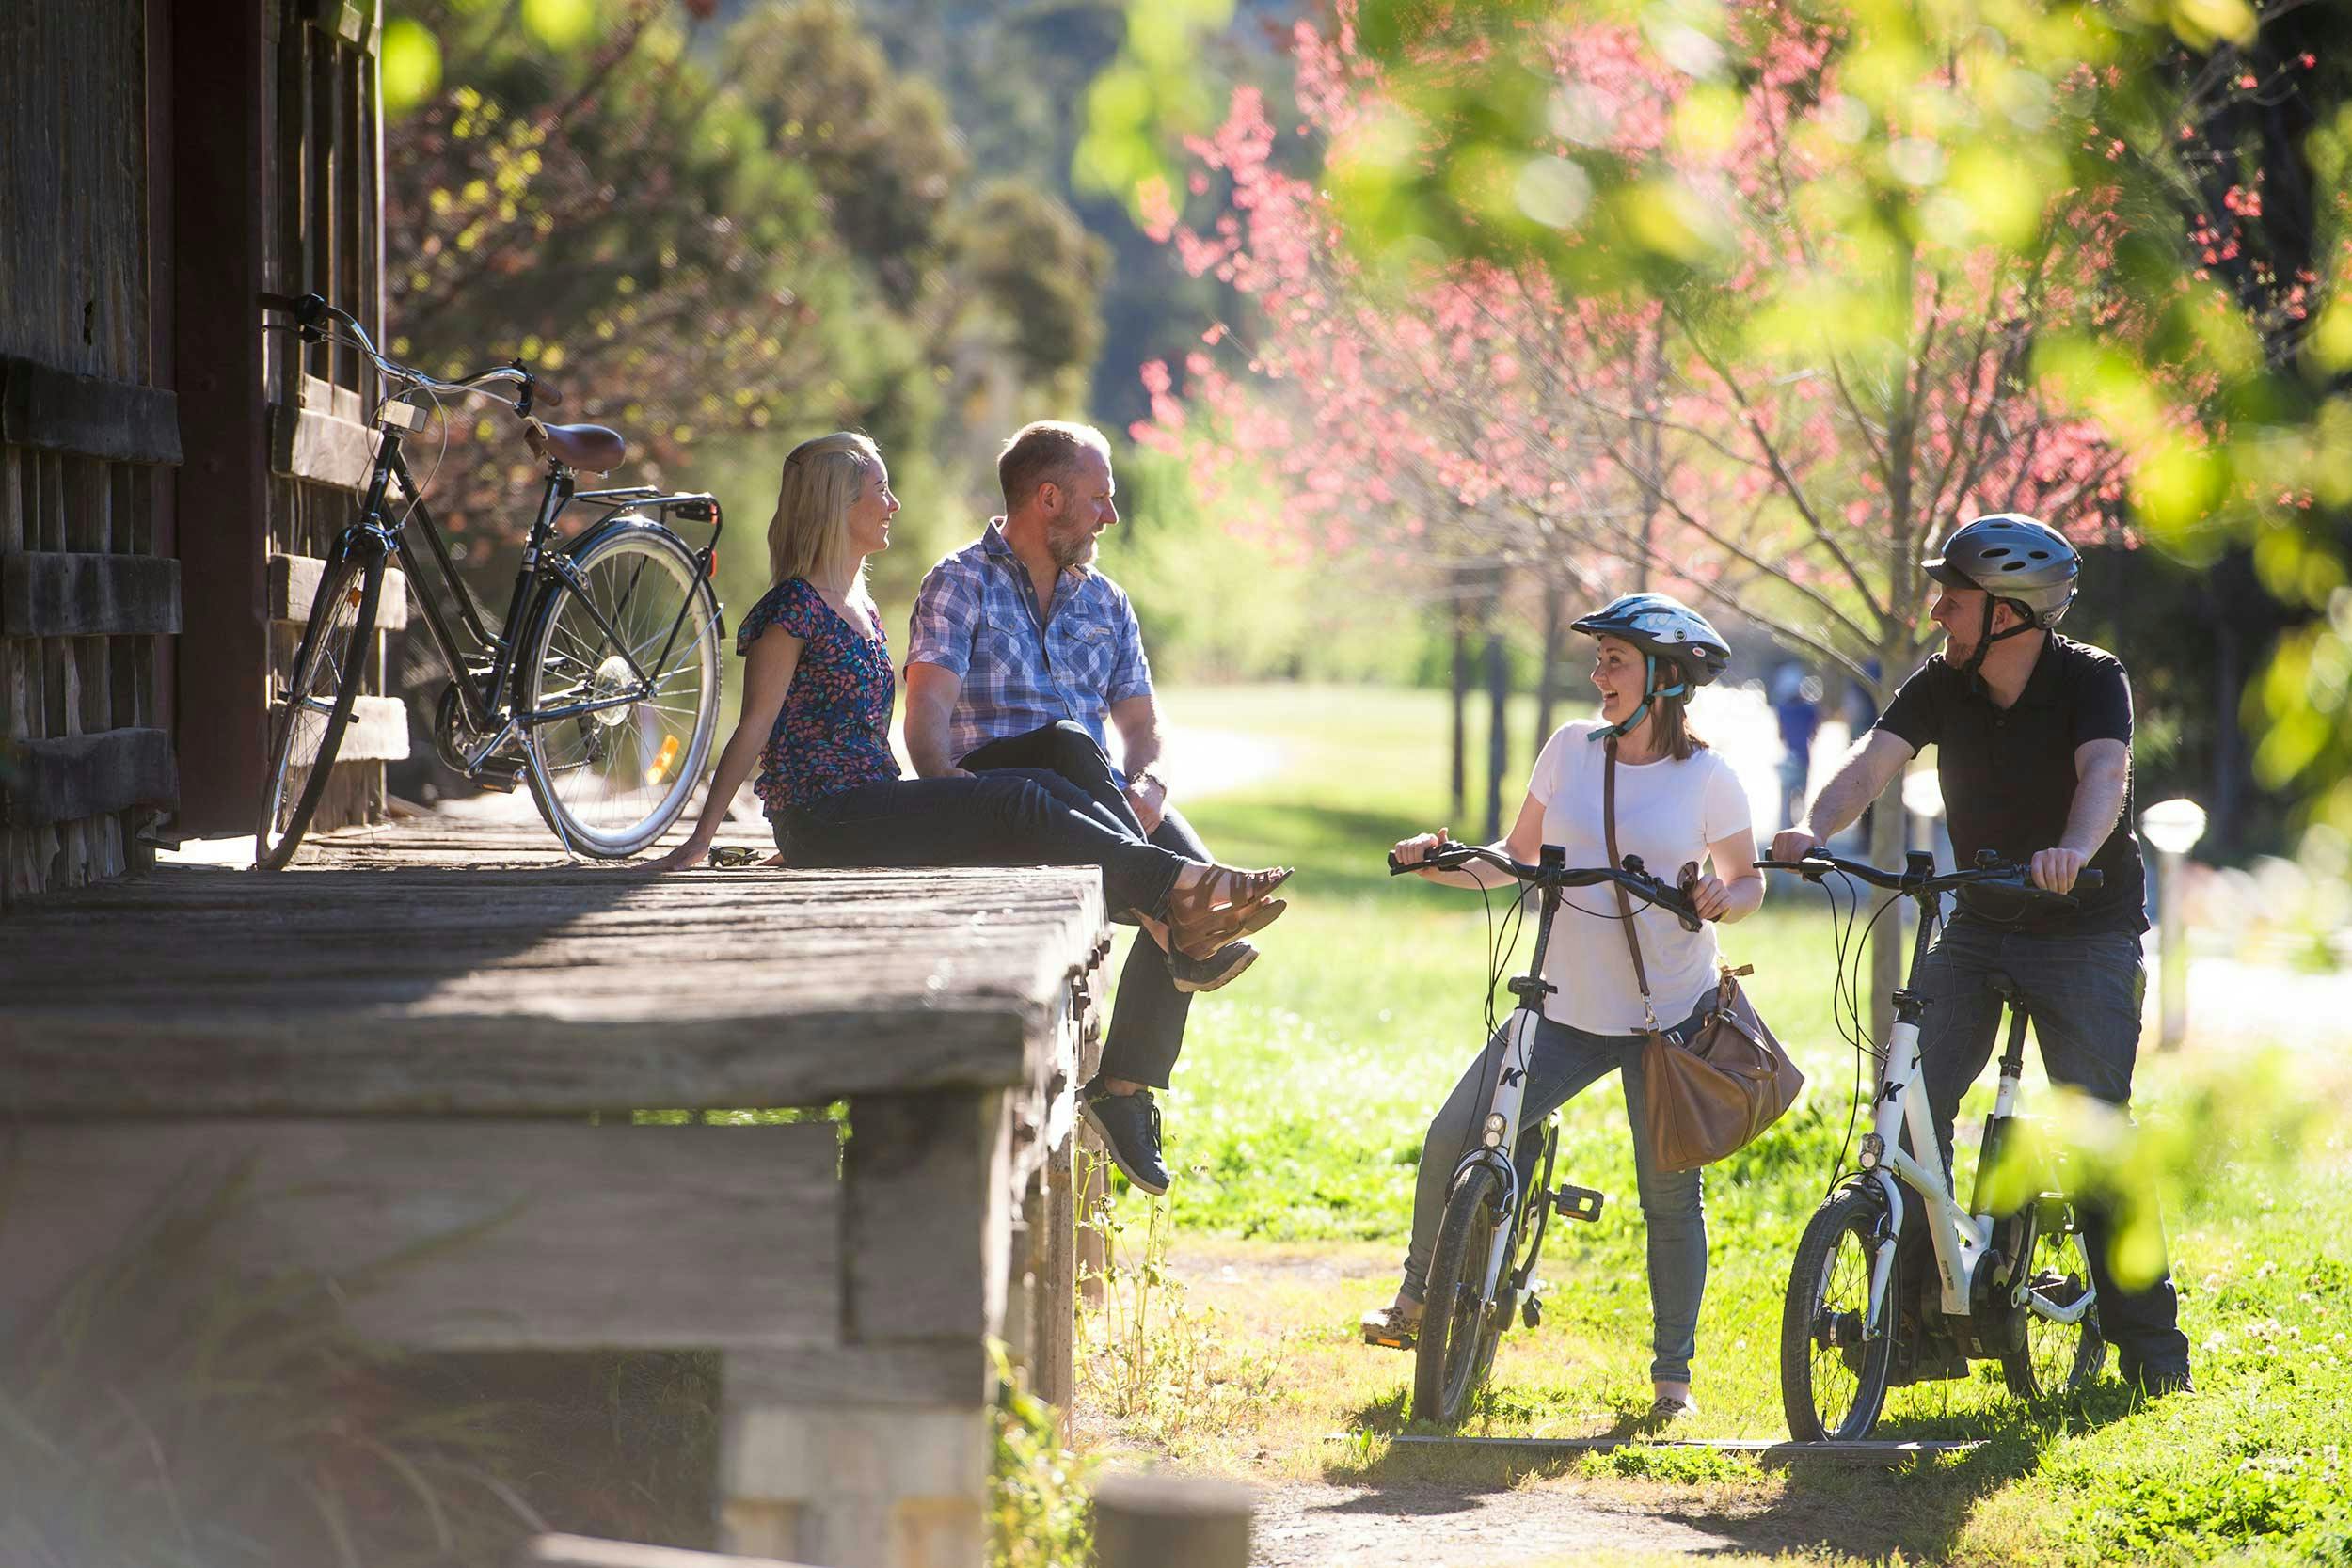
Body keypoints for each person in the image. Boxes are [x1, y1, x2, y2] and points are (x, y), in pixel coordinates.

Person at [1771, 513, 2194, 1397]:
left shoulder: (2090, 679)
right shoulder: (1943, 682)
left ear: (2008, 613)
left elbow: (2104, 778)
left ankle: (2153, 1353)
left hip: (2084, 927)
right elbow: (1870, 761)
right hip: (1982, 918)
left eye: (1952, 600)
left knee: (2098, 1130)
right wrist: (1814, 826)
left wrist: (2072, 850)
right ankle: (1920, 1324)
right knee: (1911, 1099)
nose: (1936, 613)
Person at [645, 431, 1290, 973]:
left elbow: (852, 747)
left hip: (858, 810)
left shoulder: (863, 611)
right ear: (839, 504)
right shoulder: (792, 610)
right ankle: (1177, 893)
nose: (894, 504)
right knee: (1015, 796)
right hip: (829, 816)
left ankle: (1173, 905)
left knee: (1056, 756)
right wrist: (704, 836)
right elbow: (754, 727)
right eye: (880, 491)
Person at [1363, 594, 1763, 1423]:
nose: (1598, 673)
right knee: (1454, 1133)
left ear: (1664, 678)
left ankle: (1673, 1380)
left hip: (1667, 1023)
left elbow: (1747, 878)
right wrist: (1438, 863)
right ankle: (1415, 1299)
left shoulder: (1709, 778)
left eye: (1615, 660)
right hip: (1564, 1007)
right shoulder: (1570, 750)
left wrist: (1727, 895)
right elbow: (1517, 860)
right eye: (1600, 659)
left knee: (1668, 1200)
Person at [903, 421, 1269, 1197]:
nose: (1111, 516)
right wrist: (945, 790)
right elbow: (926, 717)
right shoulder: (958, 581)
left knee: (1181, 863)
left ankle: (1125, 1087)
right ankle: (1183, 930)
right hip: (998, 803)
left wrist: (1151, 785)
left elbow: (1142, 728)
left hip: (1088, 804)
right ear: (1049, 499)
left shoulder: (1106, 601)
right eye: (1099, 499)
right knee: (1073, 748)